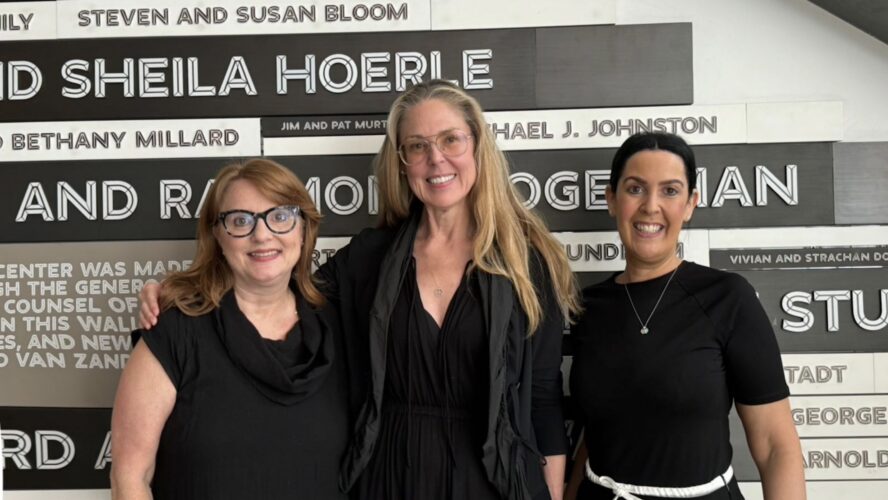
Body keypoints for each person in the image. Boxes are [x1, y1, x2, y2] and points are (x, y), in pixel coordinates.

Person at [140, 80, 580, 500]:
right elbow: (278, 291)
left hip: (493, 481)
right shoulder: (370, 259)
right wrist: (182, 291)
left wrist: (551, 492)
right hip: (389, 478)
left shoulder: (526, 264)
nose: (436, 159)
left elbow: (543, 398)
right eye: (417, 146)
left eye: (450, 140)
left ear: (477, 146)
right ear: (402, 162)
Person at [566, 132, 806, 500]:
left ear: (691, 204)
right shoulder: (586, 307)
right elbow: (595, 435)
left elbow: (777, 447)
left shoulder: (728, 298)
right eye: (635, 189)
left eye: (670, 191)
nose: (650, 206)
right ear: (611, 199)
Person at [112, 159, 348, 500]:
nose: (262, 234)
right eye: (240, 221)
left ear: (304, 229)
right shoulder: (175, 333)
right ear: (217, 236)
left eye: (280, 216)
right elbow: (129, 477)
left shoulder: (340, 326)